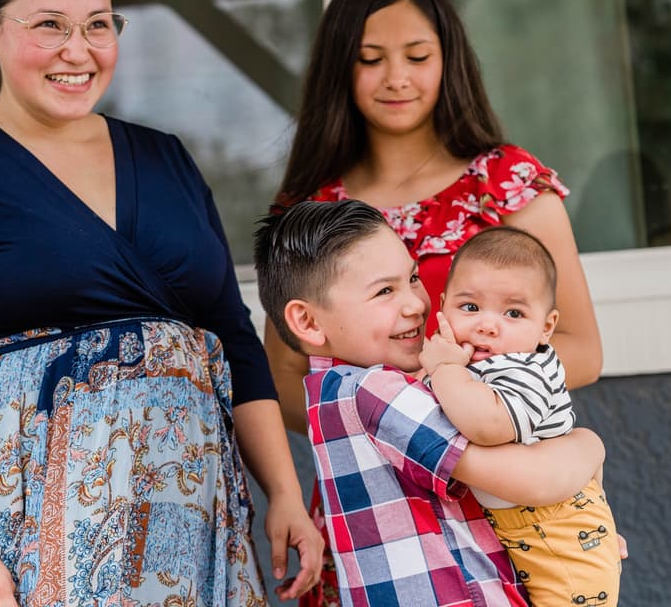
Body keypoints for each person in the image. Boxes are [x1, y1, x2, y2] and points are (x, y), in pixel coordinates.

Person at [0, 0, 320, 607]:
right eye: (49, 25)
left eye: (98, 25)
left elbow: (233, 338)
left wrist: (283, 489)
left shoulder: (167, 160)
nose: (77, 51)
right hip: (20, 541)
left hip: (189, 534)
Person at [264, 0, 604, 605]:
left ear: (450, 61)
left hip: (500, 499)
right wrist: (379, 430)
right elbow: (284, 372)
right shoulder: (312, 208)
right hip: (370, 514)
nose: (397, 77)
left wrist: (462, 407)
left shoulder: (506, 185)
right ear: (340, 67)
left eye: (418, 56)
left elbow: (582, 350)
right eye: (370, 59)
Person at [253, 199, 606, 607]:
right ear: (309, 322)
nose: (417, 303)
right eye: (385, 291)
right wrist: (589, 445)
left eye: (413, 278)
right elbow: (535, 480)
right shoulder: (373, 392)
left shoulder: (341, 390)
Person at [420, 226, 621, 606]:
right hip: (514, 532)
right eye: (469, 307)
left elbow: (489, 426)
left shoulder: (526, 369)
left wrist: (443, 370)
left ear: (546, 327)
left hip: (561, 538)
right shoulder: (466, 363)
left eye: (513, 313)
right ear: (443, 306)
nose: (487, 324)